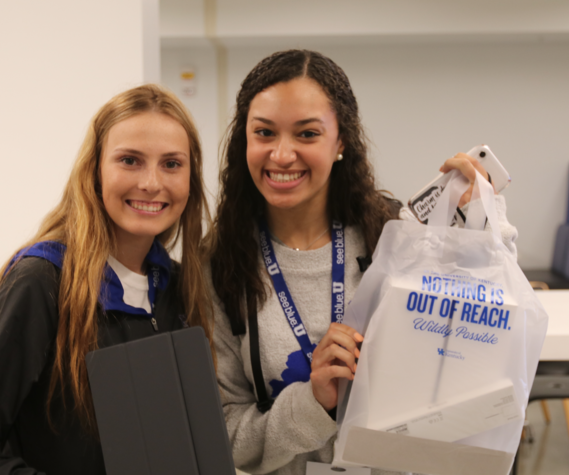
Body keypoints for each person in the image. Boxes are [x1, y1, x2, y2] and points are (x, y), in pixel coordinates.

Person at [206, 49, 518, 475]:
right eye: (264, 133)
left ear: (341, 141)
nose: (281, 155)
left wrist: (484, 218)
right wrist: (313, 403)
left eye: (307, 134)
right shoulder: (220, 265)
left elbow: (492, 314)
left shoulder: (395, 235)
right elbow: (226, 436)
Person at [0, 84, 212, 474]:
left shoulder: (178, 287)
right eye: (130, 160)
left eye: (171, 163)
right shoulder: (41, 283)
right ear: (94, 171)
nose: (152, 182)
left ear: (191, 178)